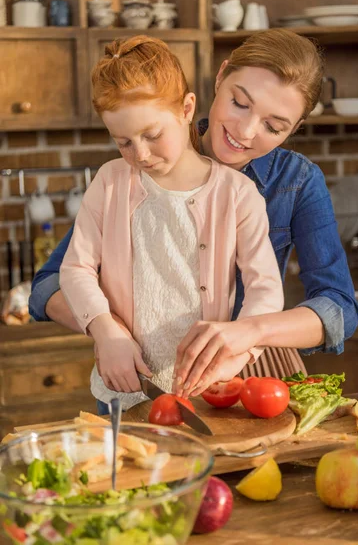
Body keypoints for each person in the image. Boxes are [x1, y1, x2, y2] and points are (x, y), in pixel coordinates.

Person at [29, 29, 358, 402]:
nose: (245, 131)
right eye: (239, 102)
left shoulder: (295, 181)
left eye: (273, 126)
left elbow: (339, 309)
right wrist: (111, 330)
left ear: (294, 129)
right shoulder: (130, 169)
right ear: (219, 78)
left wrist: (253, 333)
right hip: (141, 373)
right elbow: (49, 285)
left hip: (256, 375)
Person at [55, 34, 285, 414]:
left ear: (187, 108)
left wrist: (238, 351)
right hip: (124, 387)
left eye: (152, 135)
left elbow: (266, 290)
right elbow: (75, 268)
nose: (140, 154)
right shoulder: (110, 182)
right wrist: (104, 330)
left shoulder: (237, 194)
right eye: (123, 142)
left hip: (207, 391)